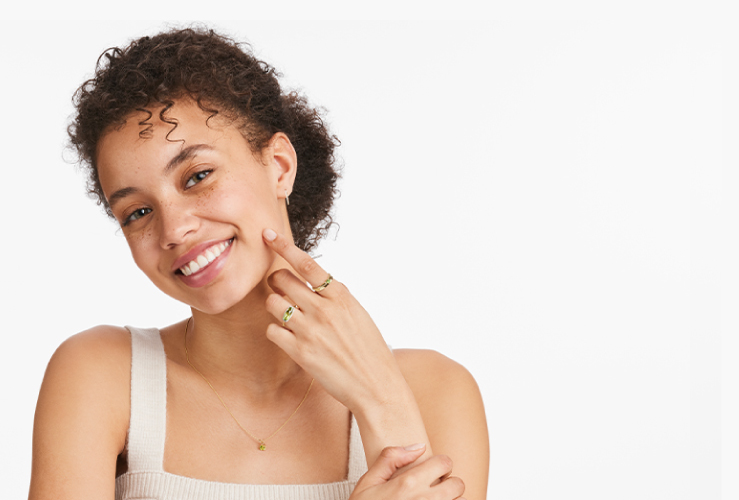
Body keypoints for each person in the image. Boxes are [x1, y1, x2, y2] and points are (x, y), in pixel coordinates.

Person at [30, 27, 489, 500]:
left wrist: (382, 400)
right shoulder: (102, 376)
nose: (174, 230)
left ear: (280, 166)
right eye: (138, 213)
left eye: (197, 176)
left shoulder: (435, 392)